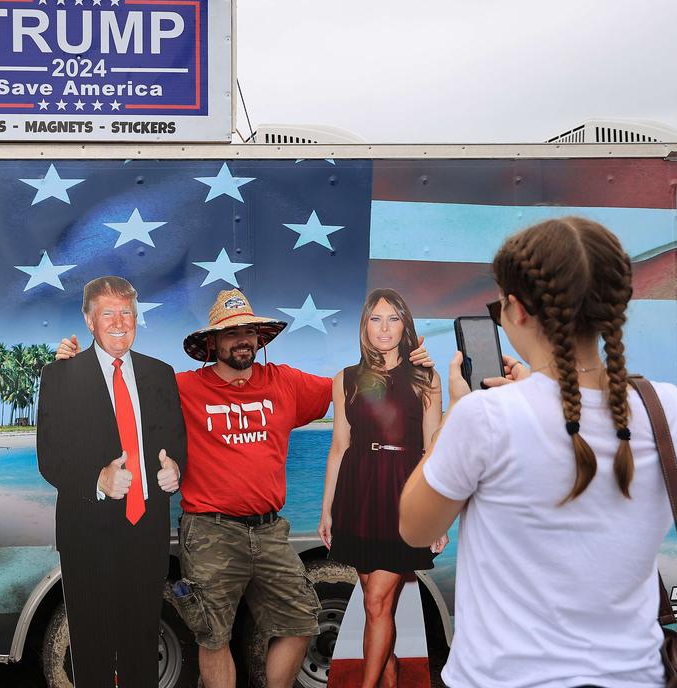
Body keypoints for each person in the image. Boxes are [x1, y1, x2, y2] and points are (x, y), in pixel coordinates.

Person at [57, 288, 434, 688]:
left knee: (302, 621)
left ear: (260, 338)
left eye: (249, 331)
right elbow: (118, 392)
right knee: (213, 635)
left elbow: (358, 389)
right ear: (213, 342)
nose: (242, 339)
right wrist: (72, 370)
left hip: (271, 531)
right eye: (231, 332)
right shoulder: (181, 387)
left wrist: (407, 365)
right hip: (209, 532)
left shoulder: (286, 382)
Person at [399, 216, 677, 688]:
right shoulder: (667, 410)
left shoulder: (485, 417)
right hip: (635, 677)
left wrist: (456, 410)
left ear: (518, 309)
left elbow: (415, 527)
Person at [36, 275, 187, 688]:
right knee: (92, 653)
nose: (120, 322)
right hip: (86, 537)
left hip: (146, 535)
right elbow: (50, 459)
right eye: (108, 313)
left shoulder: (161, 374)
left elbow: (177, 445)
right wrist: (99, 480)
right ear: (89, 320)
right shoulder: (60, 376)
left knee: (142, 648)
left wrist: (175, 469)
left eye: (127, 312)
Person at [318, 288, 445, 688]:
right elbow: (339, 446)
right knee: (379, 607)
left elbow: (433, 450)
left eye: (393, 318)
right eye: (376, 318)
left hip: (402, 497)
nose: (384, 328)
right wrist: (326, 509)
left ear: (405, 324)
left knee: (376, 602)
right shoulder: (345, 379)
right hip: (357, 494)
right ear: (365, 326)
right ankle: (389, 675)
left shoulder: (427, 377)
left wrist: (437, 516)